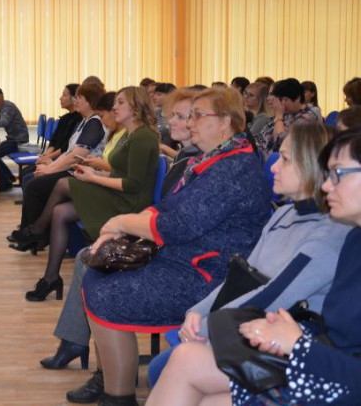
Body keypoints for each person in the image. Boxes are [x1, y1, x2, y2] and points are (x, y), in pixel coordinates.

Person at [70, 87, 270, 406]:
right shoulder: (216, 159)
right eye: (189, 116)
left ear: (226, 122)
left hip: (210, 276)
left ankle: (118, 397)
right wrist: (126, 223)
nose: (189, 122)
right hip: (189, 260)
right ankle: (114, 390)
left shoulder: (233, 168)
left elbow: (177, 225)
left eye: (197, 116)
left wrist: (120, 223)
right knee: (97, 275)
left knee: (105, 289)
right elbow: (169, 208)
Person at [147, 128, 361, 406]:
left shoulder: (332, 235)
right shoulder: (319, 226)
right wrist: (197, 312)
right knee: (189, 376)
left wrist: (212, 329)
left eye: (338, 173)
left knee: (182, 362)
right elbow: (243, 276)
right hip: (305, 350)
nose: (327, 185)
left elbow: (275, 296)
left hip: (312, 359)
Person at [38, 88, 201, 373]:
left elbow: (141, 191)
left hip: (148, 226)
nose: (169, 122)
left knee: (85, 245)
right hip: (154, 228)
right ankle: (74, 343)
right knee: (80, 243)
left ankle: (86, 355)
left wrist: (100, 186)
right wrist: (97, 176)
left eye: (180, 116)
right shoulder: (184, 157)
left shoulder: (164, 148)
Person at [11, 87, 159, 303]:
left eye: (120, 103)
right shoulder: (130, 135)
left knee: (63, 183)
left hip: (129, 202)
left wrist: (93, 178)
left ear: (136, 107)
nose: (114, 107)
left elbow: (133, 185)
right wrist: (94, 173)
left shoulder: (143, 138)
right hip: (118, 194)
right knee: (60, 212)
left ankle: (36, 231)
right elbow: (119, 172)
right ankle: (50, 278)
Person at [9, 84, 107, 243]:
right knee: (34, 180)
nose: (75, 100)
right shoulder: (85, 121)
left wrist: (49, 170)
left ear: (89, 101)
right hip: (74, 169)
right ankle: (31, 231)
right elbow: (68, 152)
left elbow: (76, 156)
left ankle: (35, 235)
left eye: (78, 97)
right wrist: (50, 166)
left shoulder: (94, 123)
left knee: (35, 185)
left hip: (81, 172)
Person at [258, 78, 321, 158]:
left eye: (286, 100)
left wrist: (279, 117)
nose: (282, 104)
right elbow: (271, 140)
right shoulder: (288, 113)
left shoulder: (306, 118)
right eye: (280, 100)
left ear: (297, 98)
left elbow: (281, 143)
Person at [32, 83, 82, 167]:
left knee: (31, 173)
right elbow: (54, 140)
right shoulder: (64, 118)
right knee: (28, 170)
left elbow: (67, 146)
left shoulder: (79, 119)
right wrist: (46, 155)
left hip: (63, 160)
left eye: (64, 95)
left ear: (74, 98)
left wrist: (49, 157)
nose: (60, 98)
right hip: (54, 158)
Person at [152, 83, 177, 148]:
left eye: (159, 94)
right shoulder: (154, 114)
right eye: (155, 94)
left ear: (170, 95)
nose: (154, 97)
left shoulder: (178, 114)